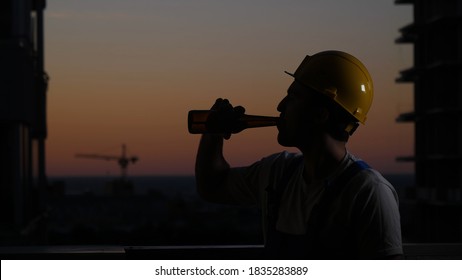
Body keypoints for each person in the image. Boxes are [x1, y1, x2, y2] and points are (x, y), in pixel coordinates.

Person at [194, 50, 403, 259]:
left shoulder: (369, 192)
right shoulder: (278, 172)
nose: (280, 106)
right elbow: (212, 186)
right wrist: (214, 133)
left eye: (293, 97)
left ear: (320, 115)